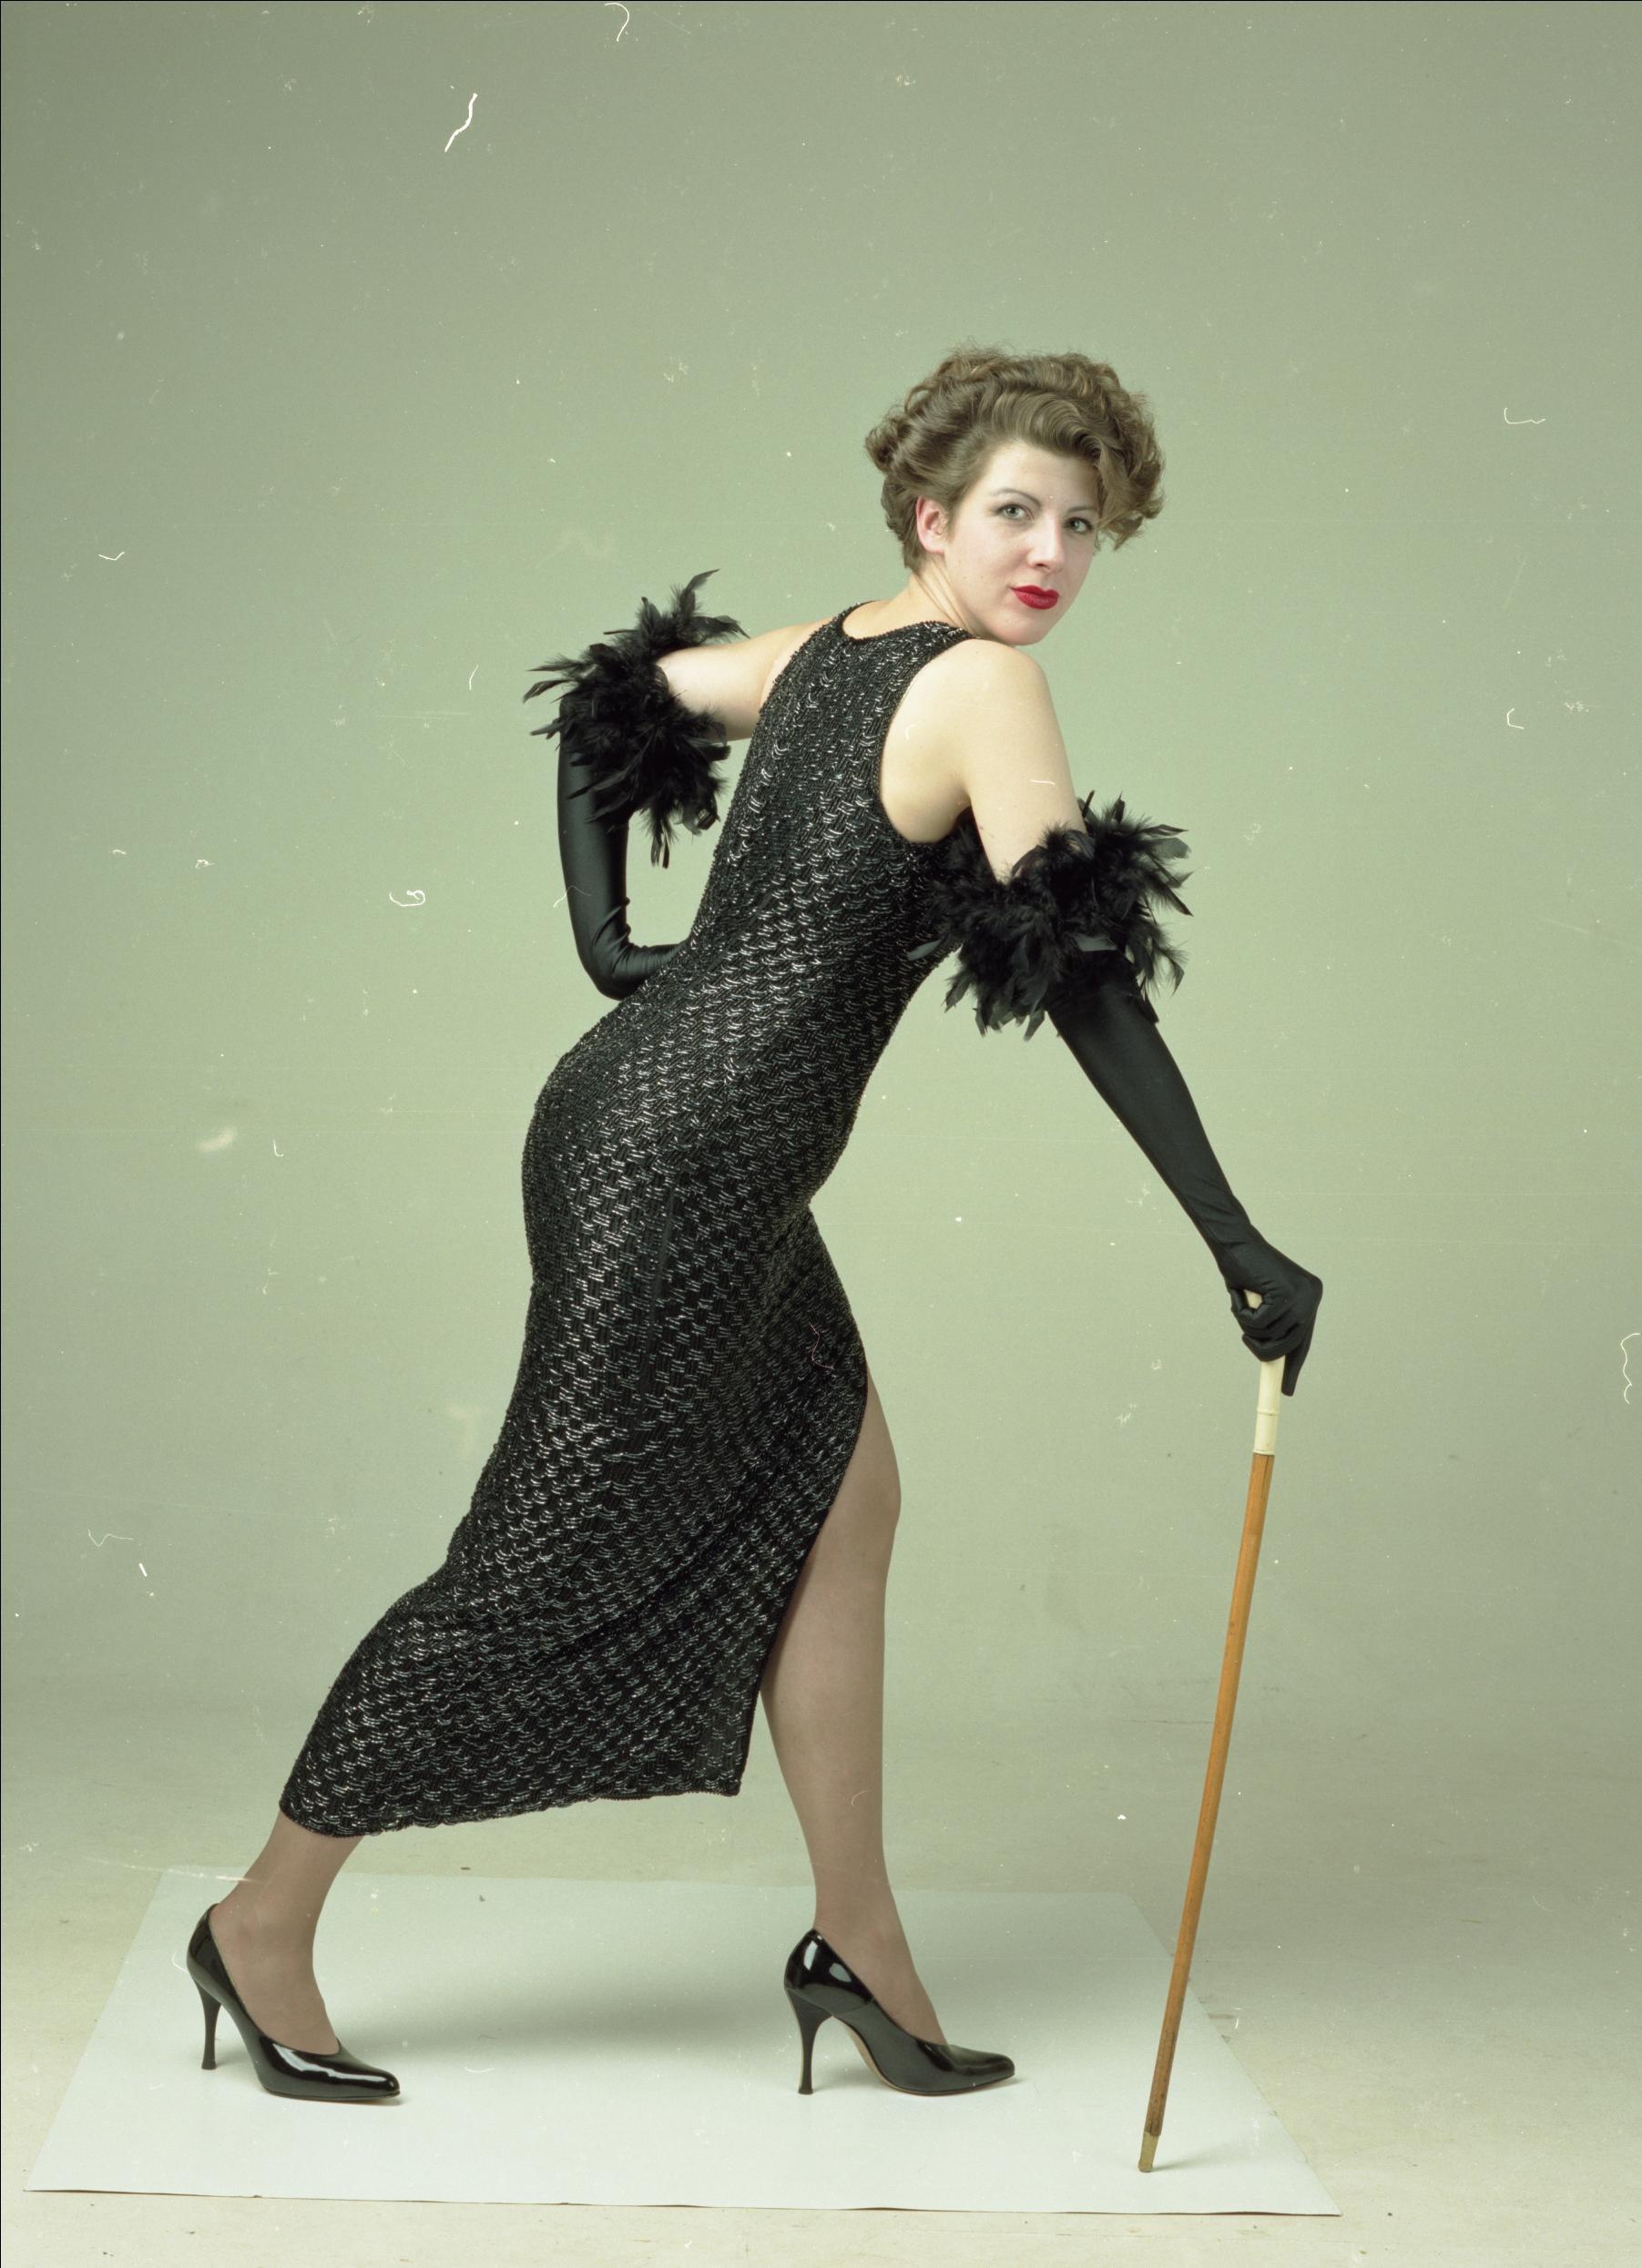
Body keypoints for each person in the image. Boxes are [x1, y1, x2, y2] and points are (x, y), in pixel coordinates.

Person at [185, 346, 1322, 2106]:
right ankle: (259, 1924)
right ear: (930, 517)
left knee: (845, 1499)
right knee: (535, 1555)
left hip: (666, 1138)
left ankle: (859, 1941)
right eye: (1015, 512)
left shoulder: (826, 650)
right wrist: (1232, 1236)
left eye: (1085, 526)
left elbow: (610, 704)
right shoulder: (987, 685)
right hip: (688, 1167)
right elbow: (1087, 982)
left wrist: (609, 952)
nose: (1050, 554)